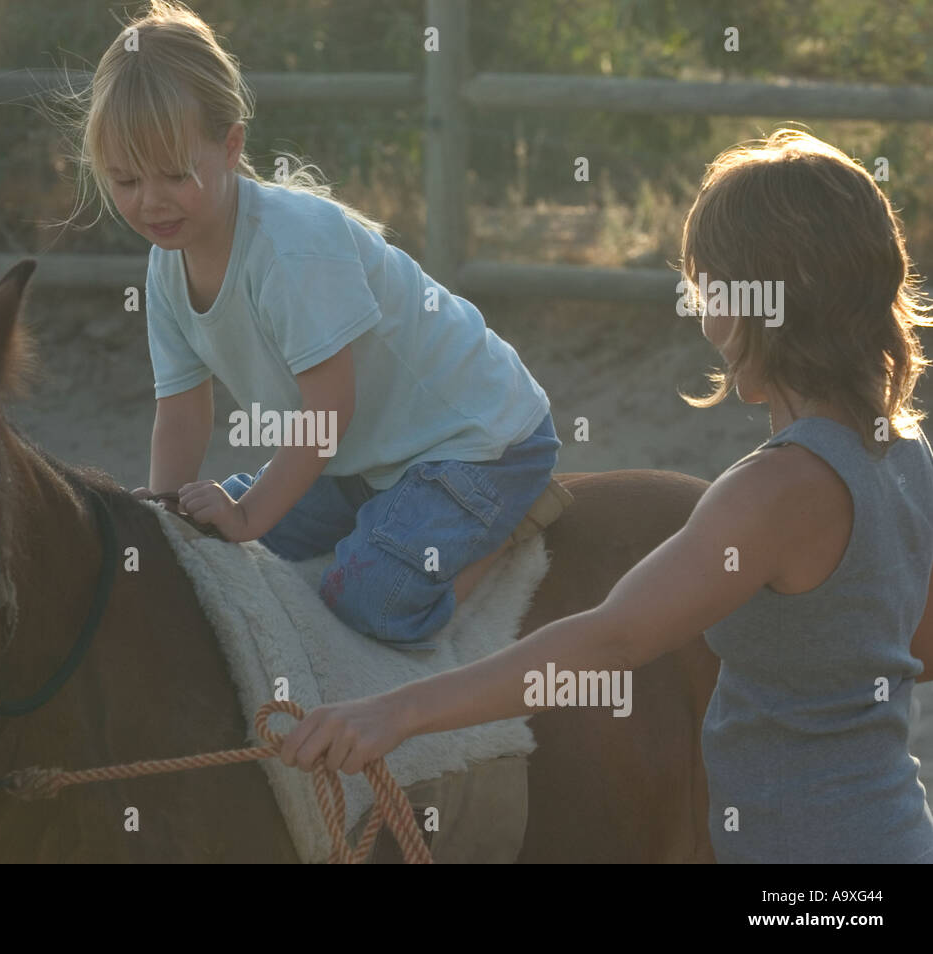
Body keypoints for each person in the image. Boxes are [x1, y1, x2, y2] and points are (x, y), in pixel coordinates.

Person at [280, 129, 933, 863]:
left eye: (707, 285)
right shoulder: (905, 458)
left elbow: (612, 639)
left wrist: (394, 712)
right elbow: (915, 648)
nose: (698, 308)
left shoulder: (772, 490)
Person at [59, 0, 558, 648]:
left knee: (363, 598)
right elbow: (182, 411)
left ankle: (498, 547)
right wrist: (163, 517)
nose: (150, 200)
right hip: (359, 462)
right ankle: (382, 521)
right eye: (124, 180)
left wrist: (246, 515)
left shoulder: (290, 248)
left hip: (472, 444)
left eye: (175, 175)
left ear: (231, 146)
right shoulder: (166, 266)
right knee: (202, 541)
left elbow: (330, 410)